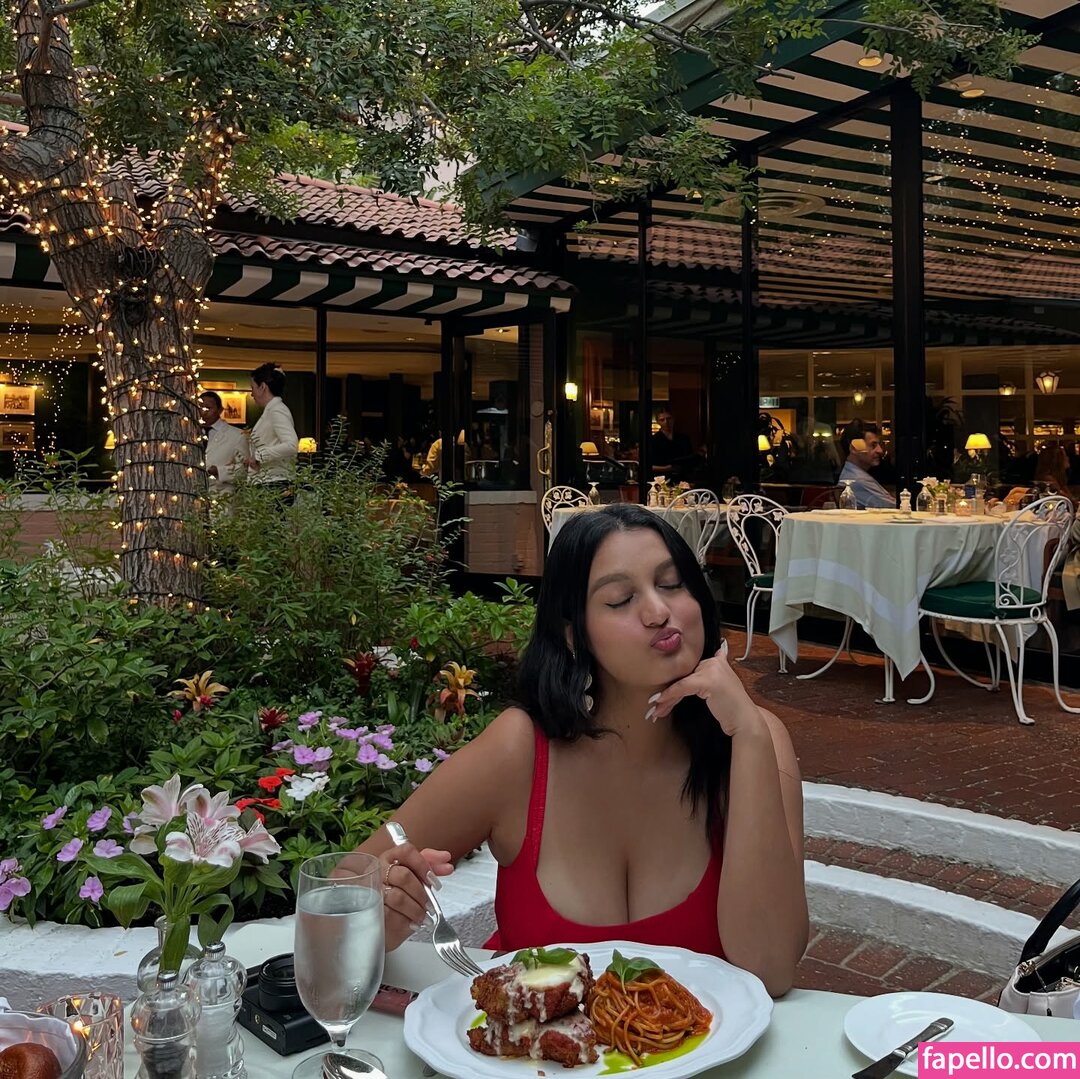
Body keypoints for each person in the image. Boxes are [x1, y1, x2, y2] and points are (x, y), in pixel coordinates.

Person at [357, 504, 808, 995]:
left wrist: (749, 735)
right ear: (574, 634)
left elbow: (771, 969)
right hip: (528, 1042)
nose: (658, 611)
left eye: (672, 583)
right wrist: (380, 911)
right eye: (620, 599)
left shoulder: (753, 740)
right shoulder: (521, 751)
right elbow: (344, 885)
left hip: (698, 1041)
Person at [243, 363, 298, 486]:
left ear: (262, 387)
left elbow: (291, 445)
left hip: (275, 482)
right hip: (269, 481)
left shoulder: (277, 410)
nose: (252, 394)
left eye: (253, 388)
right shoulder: (271, 410)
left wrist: (259, 456)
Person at [199, 391, 248, 495]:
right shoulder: (190, 433)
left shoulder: (237, 435)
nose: (203, 412)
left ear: (220, 410)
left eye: (208, 408)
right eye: (200, 407)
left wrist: (220, 471)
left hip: (223, 496)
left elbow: (246, 469)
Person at [838, 421, 893, 509]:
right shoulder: (858, 480)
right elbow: (894, 508)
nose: (880, 450)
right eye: (873, 445)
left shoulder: (854, 474)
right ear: (854, 448)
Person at [650, 409, 693, 478]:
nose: (666, 422)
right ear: (658, 422)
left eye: (669, 418)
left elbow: (690, 459)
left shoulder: (684, 438)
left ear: (673, 419)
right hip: (660, 478)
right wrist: (667, 468)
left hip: (683, 476)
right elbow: (647, 465)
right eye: (662, 420)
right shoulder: (653, 440)